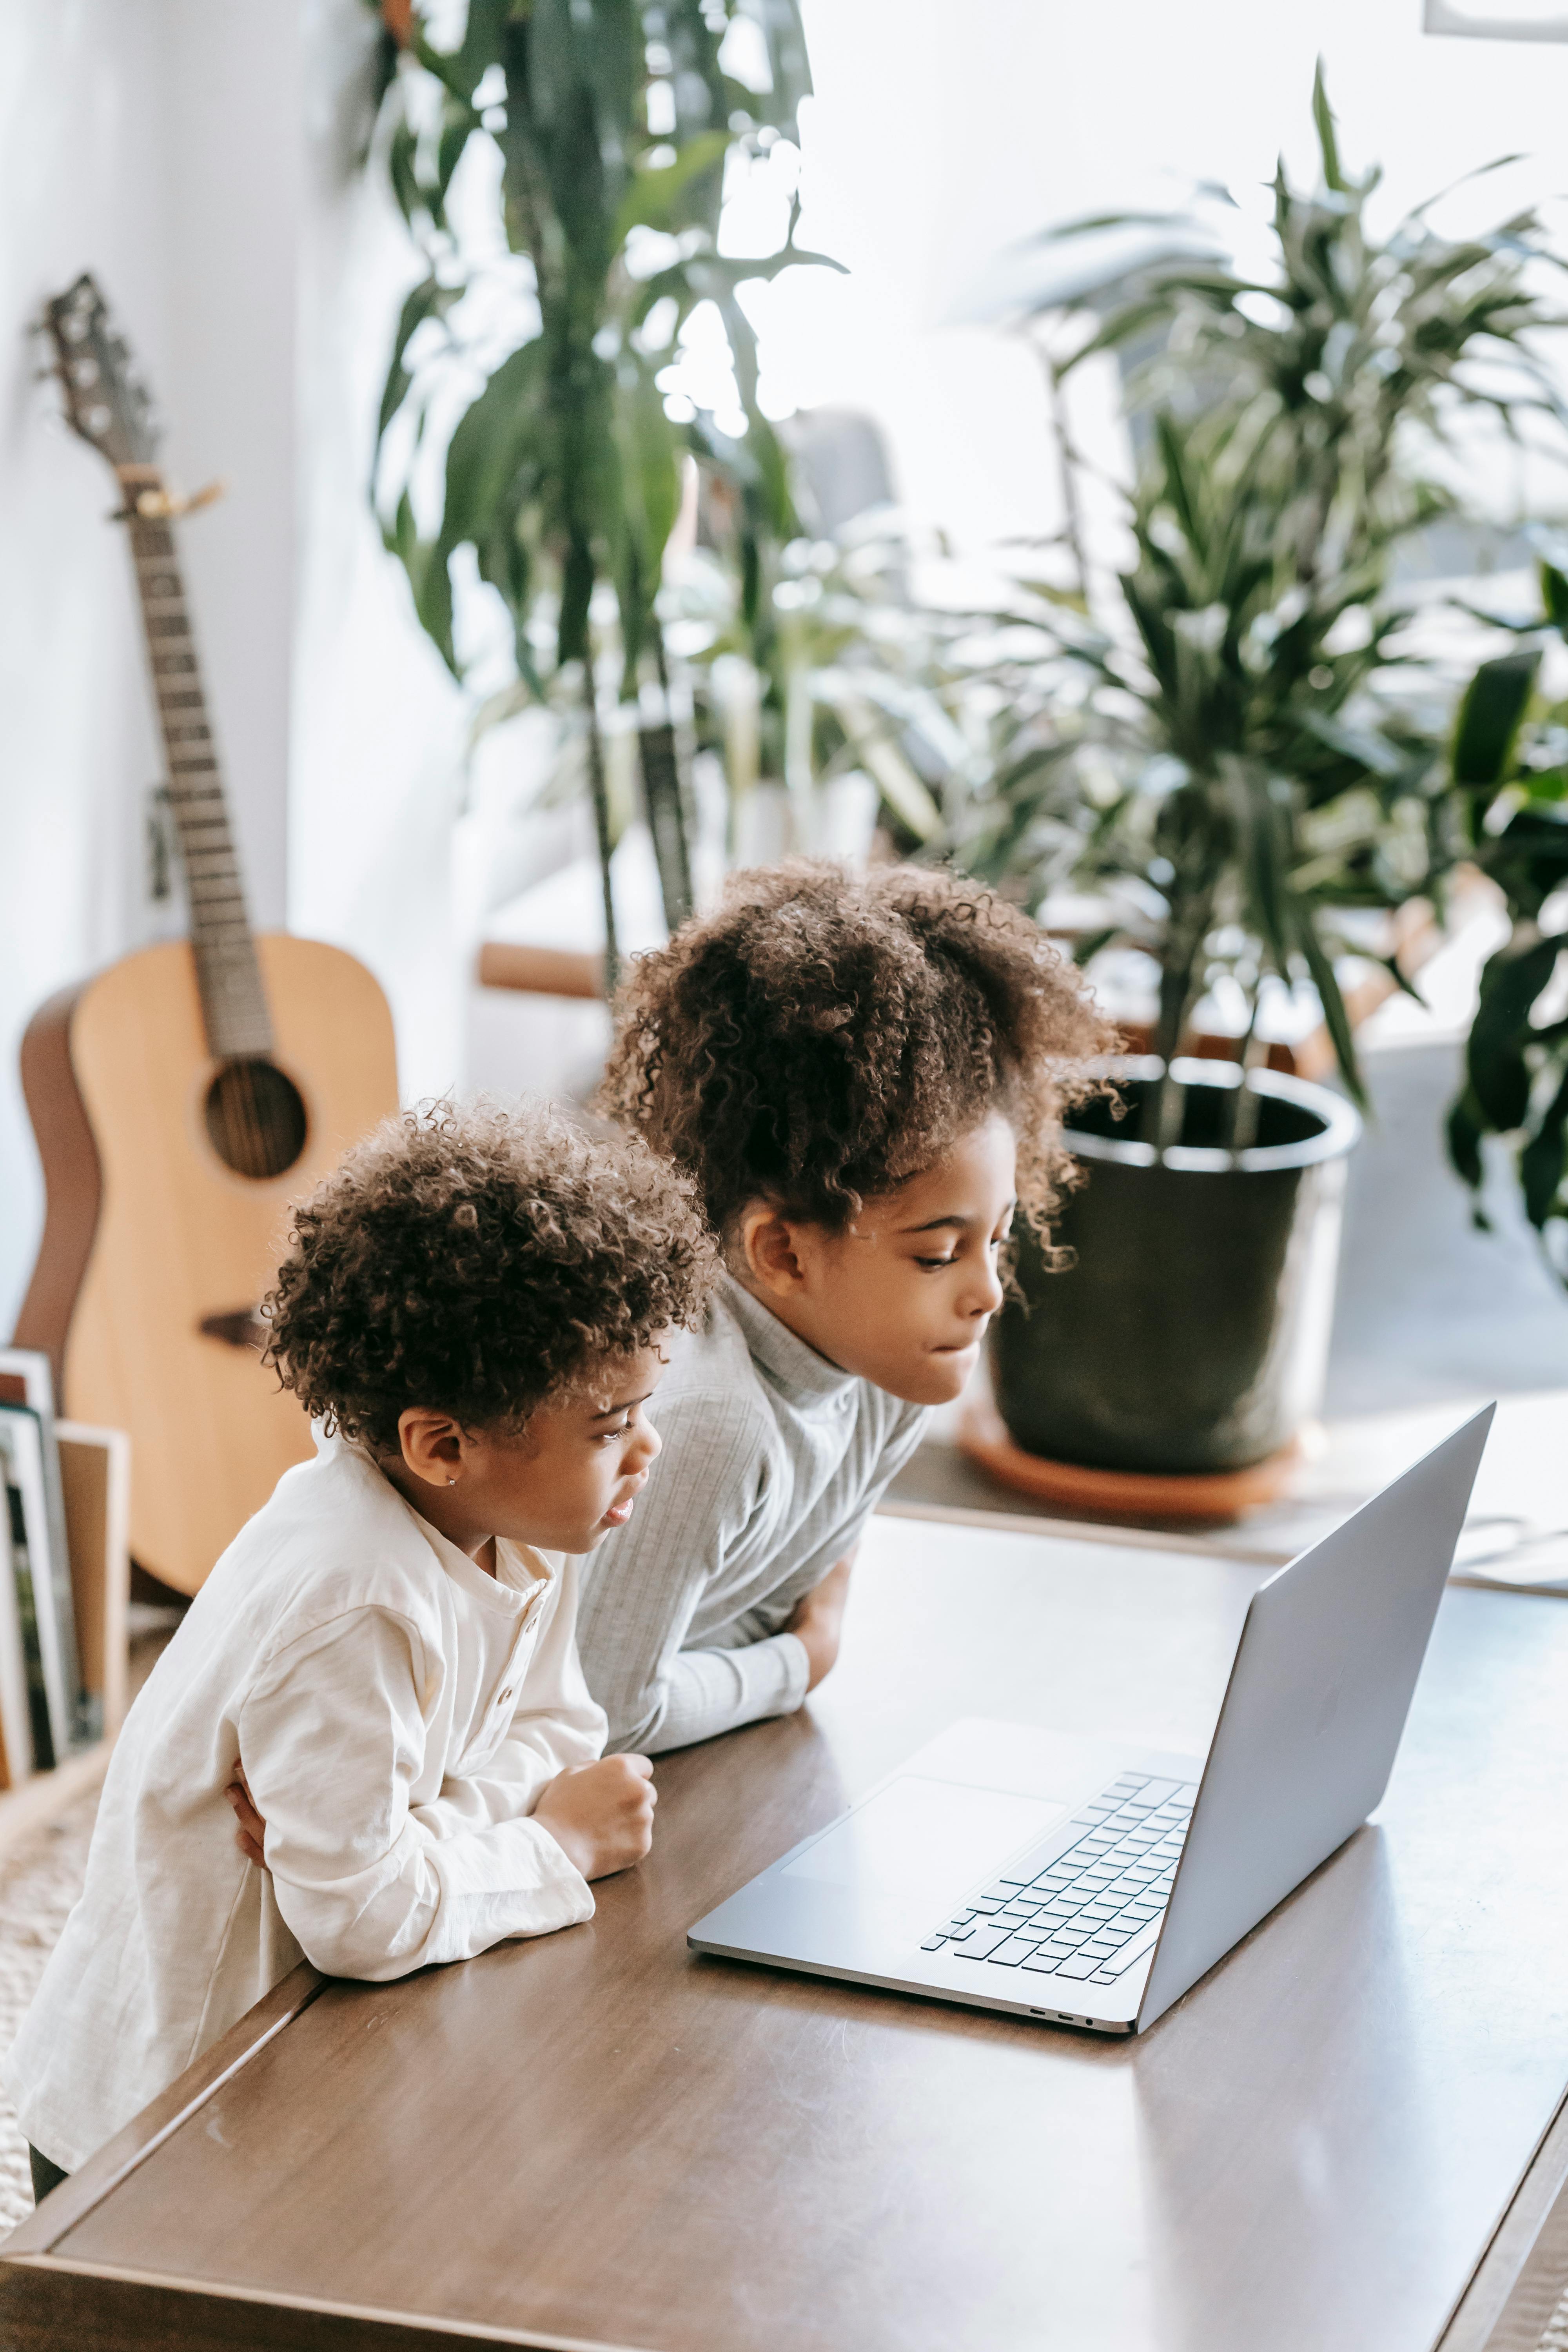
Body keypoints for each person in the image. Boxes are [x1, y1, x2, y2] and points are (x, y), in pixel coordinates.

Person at [5, 1102, 716, 2197]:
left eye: (643, 1409)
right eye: (611, 1425)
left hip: (303, 2039)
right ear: (442, 1443)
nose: (648, 1449)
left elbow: (560, 1732)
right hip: (164, 2120)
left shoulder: (523, 1517)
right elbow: (363, 1918)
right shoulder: (356, 1597)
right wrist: (555, 1846)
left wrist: (429, 1822)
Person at [579, 859, 1112, 1754]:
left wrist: (777, 1650)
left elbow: (783, 1600)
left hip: (712, 1753)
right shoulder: (711, 1421)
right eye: (937, 1254)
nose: (986, 1293)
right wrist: (802, 1663)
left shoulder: (893, 1373)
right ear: (783, 1252)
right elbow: (600, 1716)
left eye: (997, 1237)